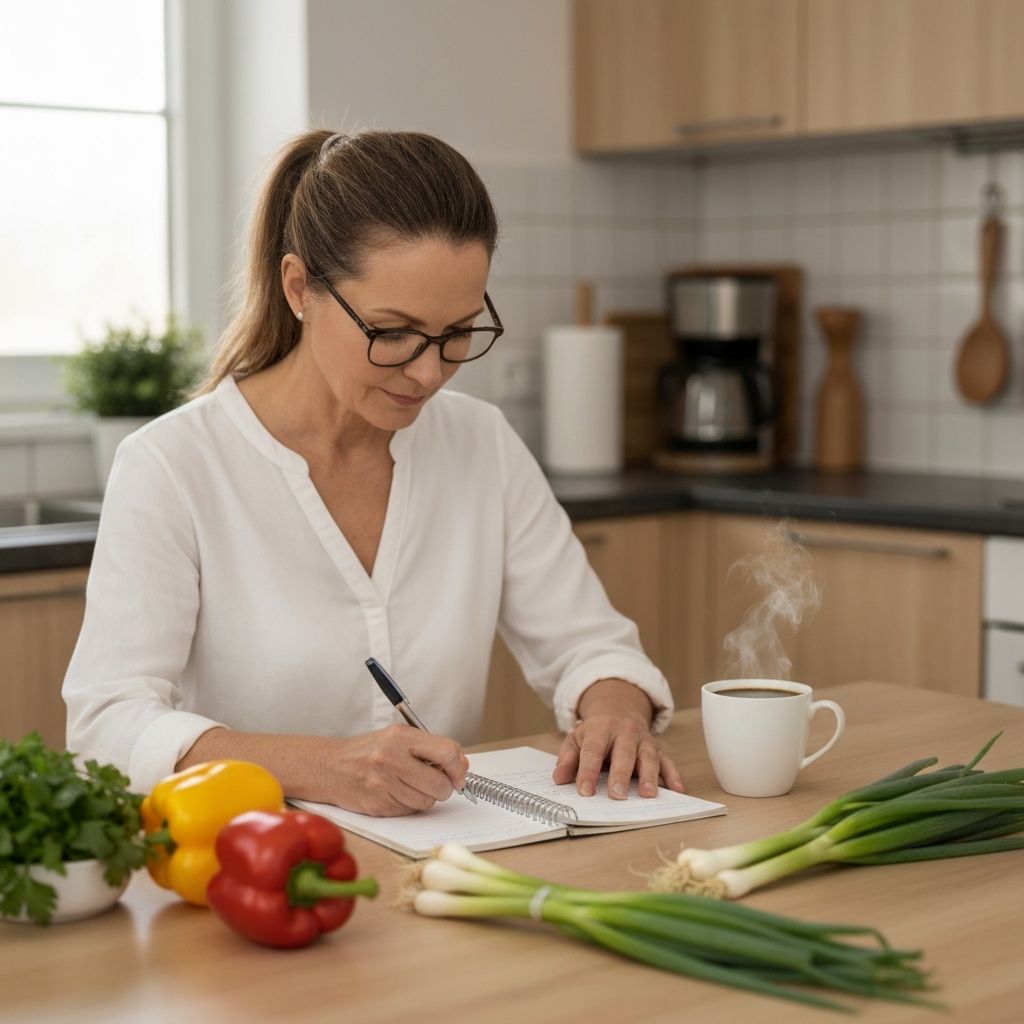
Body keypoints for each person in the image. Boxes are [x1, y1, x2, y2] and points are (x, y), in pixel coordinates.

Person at [63, 128, 684, 816]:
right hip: (241, 869)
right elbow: (105, 727)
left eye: (457, 334)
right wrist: (324, 766)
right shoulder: (173, 465)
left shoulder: (481, 444)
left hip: (438, 868)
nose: (427, 372)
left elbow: (589, 645)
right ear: (299, 287)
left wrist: (615, 710)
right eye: (392, 333)